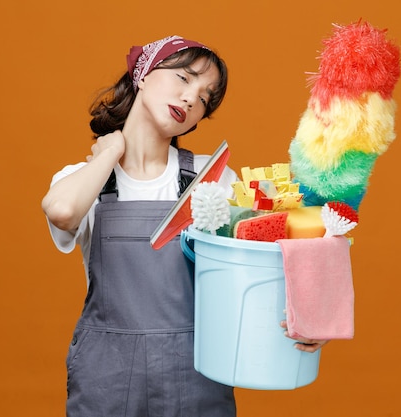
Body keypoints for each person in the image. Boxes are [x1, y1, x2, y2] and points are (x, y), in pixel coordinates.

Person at [42, 35, 326, 417]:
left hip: (195, 374)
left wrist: (307, 316)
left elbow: (261, 265)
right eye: (184, 77)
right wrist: (110, 152)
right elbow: (61, 211)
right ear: (142, 74)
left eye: (205, 97)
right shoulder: (84, 178)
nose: (193, 98)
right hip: (106, 377)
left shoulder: (213, 180)